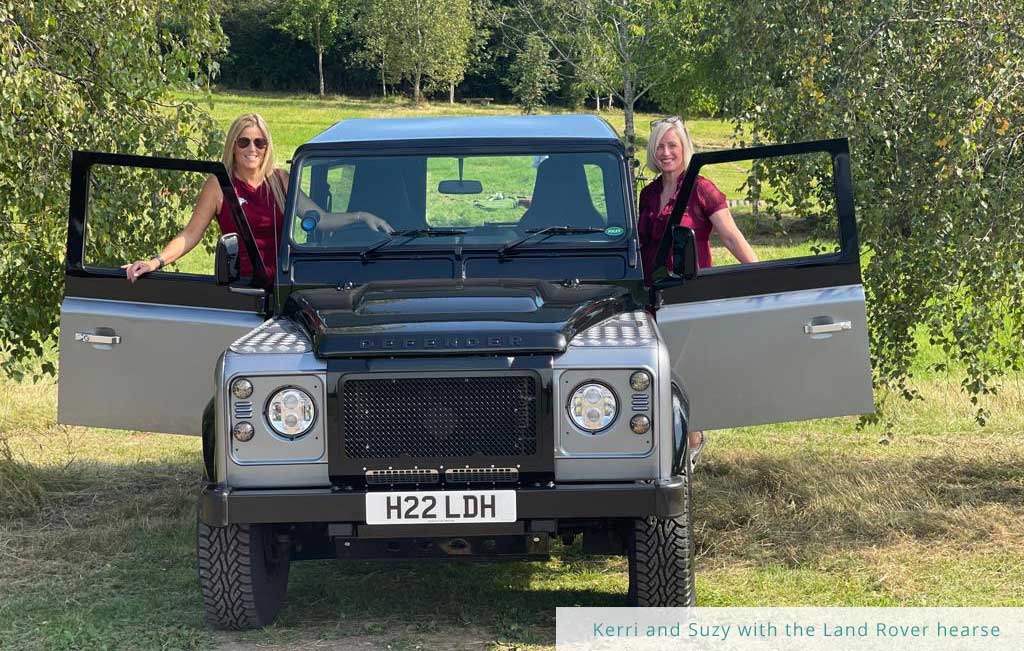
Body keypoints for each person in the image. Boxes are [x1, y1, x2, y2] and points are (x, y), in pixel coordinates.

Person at [124, 113, 392, 285]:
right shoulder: (219, 185)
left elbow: (320, 219)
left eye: (259, 143)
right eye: (244, 142)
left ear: (267, 147)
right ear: (233, 145)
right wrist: (154, 262)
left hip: (284, 285)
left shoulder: (281, 181)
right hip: (243, 288)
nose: (252, 149)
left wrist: (361, 216)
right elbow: (191, 234)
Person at [637, 116, 759, 467]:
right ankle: (659, 444)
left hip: (689, 293)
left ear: (684, 148)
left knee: (688, 369)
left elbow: (732, 236)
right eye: (660, 146)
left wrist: (761, 274)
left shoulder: (702, 189)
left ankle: (691, 440)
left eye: (672, 145)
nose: (665, 152)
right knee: (656, 370)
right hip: (650, 297)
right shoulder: (647, 194)